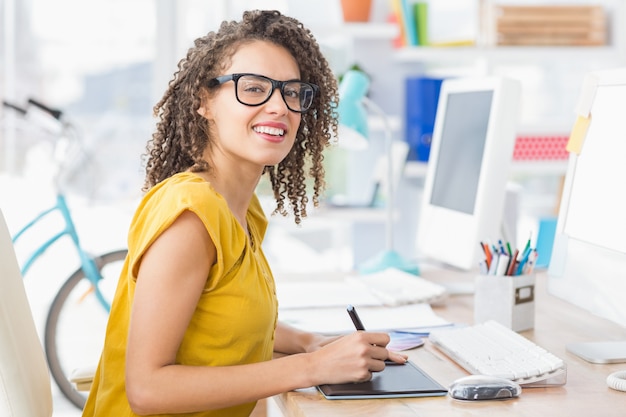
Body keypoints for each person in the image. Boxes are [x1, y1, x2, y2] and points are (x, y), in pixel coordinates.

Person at [82, 9, 407, 417]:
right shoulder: (191, 215)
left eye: (292, 92)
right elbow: (147, 390)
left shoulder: (242, 209)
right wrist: (310, 367)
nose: (279, 106)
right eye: (253, 89)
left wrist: (308, 342)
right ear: (204, 101)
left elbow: (223, 324)